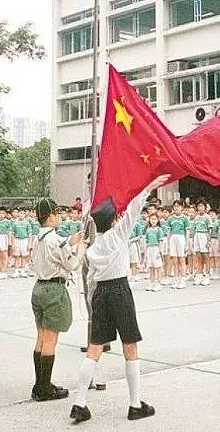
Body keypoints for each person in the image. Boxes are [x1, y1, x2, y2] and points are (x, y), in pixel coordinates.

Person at [70, 174, 169, 423]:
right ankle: (135, 404)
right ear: (115, 220)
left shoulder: (92, 249)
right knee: (130, 346)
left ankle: (80, 402)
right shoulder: (118, 236)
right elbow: (135, 208)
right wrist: (147, 186)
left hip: (100, 293)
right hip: (120, 291)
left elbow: (90, 280)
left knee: (94, 349)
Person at [31, 198, 86, 401]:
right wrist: (81, 249)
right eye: (57, 213)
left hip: (38, 288)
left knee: (40, 338)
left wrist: (71, 241)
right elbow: (72, 264)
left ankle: (39, 384)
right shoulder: (55, 240)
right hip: (53, 290)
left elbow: (55, 248)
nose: (60, 216)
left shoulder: (37, 237)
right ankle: (45, 388)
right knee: (50, 340)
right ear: (51, 216)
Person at [144, 213, 164, 292]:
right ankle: (151, 282)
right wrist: (146, 253)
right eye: (152, 219)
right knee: (151, 266)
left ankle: (158, 283)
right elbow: (146, 241)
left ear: (157, 220)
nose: (153, 221)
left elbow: (161, 241)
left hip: (156, 248)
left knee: (157, 266)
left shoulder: (159, 229)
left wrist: (160, 251)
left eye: (155, 219)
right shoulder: (148, 230)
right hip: (150, 248)